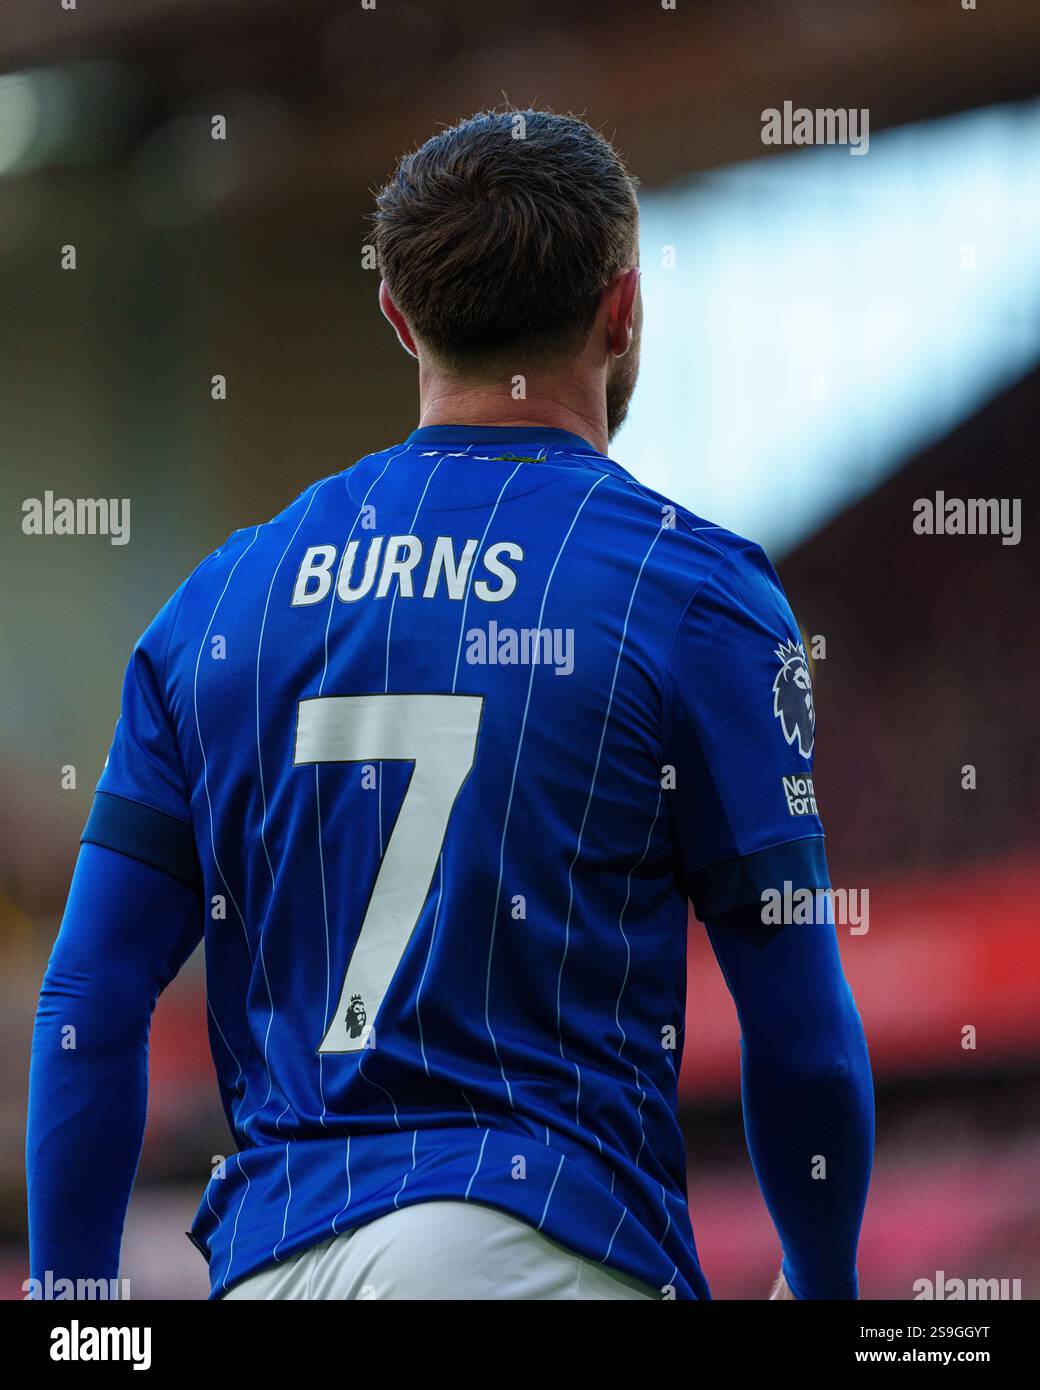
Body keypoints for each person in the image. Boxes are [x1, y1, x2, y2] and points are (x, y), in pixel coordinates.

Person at [27, 108, 873, 1301]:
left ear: (398, 315)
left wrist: (74, 1310)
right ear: (622, 308)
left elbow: (89, 995)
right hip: (529, 1239)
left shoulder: (220, 603)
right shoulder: (688, 591)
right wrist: (823, 1284)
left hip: (269, 1260)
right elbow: (797, 1023)